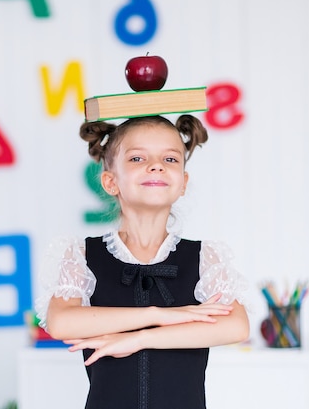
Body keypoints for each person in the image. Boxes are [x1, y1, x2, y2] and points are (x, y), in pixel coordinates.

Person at [35, 114, 249, 409]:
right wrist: (159, 314)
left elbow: (236, 326)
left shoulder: (204, 257)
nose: (156, 165)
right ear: (111, 182)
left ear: (183, 183)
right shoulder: (82, 255)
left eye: (171, 159)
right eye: (137, 158)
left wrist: (139, 339)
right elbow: (61, 322)